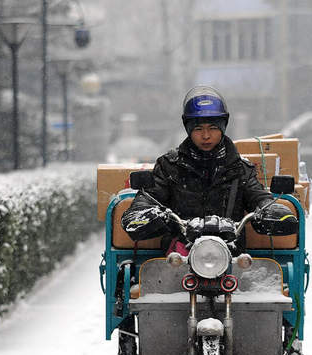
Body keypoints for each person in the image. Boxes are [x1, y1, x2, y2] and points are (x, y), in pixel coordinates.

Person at [121, 85, 294, 247]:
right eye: (198, 129)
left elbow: (258, 196)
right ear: (188, 130)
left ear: (223, 128)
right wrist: (142, 212)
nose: (206, 135)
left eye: (213, 128)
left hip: (231, 254)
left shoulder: (240, 168)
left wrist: (272, 209)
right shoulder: (169, 166)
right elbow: (151, 196)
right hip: (180, 253)